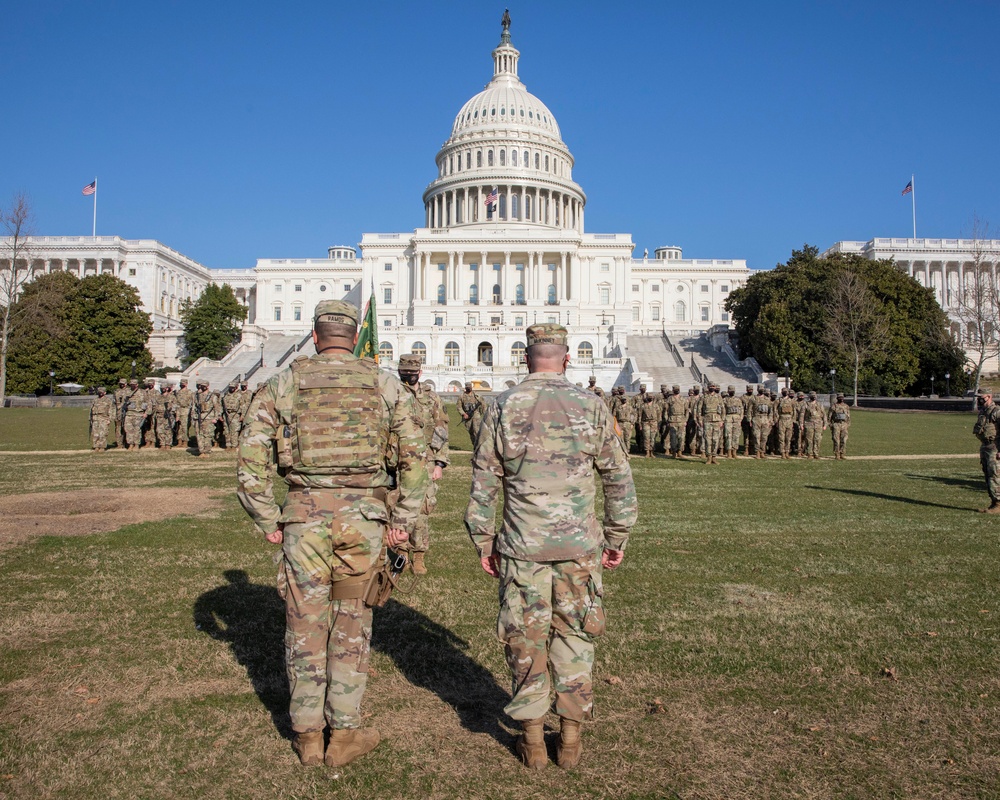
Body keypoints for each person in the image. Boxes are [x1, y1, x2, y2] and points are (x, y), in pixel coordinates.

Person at [237, 300, 428, 768]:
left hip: (305, 518)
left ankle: (307, 736)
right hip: (364, 520)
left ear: (317, 336)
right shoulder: (383, 383)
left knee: (304, 622)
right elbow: (415, 459)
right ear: (353, 335)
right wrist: (402, 520)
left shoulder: (284, 382)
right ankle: (343, 735)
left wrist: (267, 518)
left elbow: (250, 459)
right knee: (351, 623)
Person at [465, 323, 637, 770]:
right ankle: (571, 740)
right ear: (566, 358)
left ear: (527, 358)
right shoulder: (591, 404)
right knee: (576, 635)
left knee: (526, 640)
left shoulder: (503, 405)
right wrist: (616, 536)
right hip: (579, 545)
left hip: (523, 547)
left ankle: (533, 740)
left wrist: (484, 539)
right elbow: (618, 476)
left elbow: (485, 478)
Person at [395, 354, 449, 575]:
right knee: (396, 505)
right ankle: (401, 552)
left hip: (425, 460)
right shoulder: (392, 395)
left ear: (420, 373)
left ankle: (419, 555)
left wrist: (439, 463)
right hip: (397, 460)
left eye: (412, 374)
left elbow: (441, 430)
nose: (408, 378)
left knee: (422, 508)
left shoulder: (432, 398)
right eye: (404, 374)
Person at [973, 391, 1000, 513]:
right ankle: (994, 503)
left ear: (989, 397)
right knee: (988, 475)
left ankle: (999, 504)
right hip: (985, 446)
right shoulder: (984, 412)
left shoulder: (996, 411)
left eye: (981, 398)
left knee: (995, 475)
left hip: (994, 447)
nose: (979, 400)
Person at [697, 383, 724, 464]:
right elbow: (699, 409)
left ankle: (714, 457)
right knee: (708, 440)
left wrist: (722, 420)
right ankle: (708, 457)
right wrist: (700, 420)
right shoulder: (703, 397)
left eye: (713, 386)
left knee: (716, 440)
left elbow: (723, 409)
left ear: (715, 387)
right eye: (710, 386)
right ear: (708, 387)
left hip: (716, 420)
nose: (712, 388)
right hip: (707, 420)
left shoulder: (718, 397)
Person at [194, 381, 222, 457]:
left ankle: (207, 451)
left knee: (207, 435)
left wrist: (215, 418)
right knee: (199, 435)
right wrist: (194, 417)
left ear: (208, 386)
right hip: (199, 417)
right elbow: (194, 407)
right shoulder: (198, 396)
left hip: (209, 417)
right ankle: (201, 451)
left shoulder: (212, 396)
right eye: (201, 385)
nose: (203, 387)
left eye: (204, 386)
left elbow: (217, 408)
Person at [121, 379, 148, 451]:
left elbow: (148, 403)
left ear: (137, 385)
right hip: (129, 413)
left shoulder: (143, 392)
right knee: (128, 430)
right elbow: (123, 403)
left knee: (137, 430)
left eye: (134, 384)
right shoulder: (127, 392)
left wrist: (146, 413)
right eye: (131, 384)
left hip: (138, 413)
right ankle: (130, 444)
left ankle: (136, 444)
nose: (132, 385)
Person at [458, 381, 486, 449]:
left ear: (471, 387)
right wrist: (463, 414)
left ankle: (480, 447)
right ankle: (475, 446)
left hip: (476, 415)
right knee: (471, 432)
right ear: (465, 388)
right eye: (467, 387)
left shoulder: (476, 395)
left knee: (477, 431)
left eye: (470, 387)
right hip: (467, 416)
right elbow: (459, 407)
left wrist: (484, 412)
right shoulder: (462, 396)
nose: (469, 388)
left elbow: (483, 404)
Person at [89, 387, 115, 452]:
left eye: (101, 392)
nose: (100, 393)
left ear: (104, 393)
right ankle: (96, 446)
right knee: (95, 434)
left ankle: (102, 447)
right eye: (99, 392)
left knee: (103, 433)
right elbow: (91, 410)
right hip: (95, 418)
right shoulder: (95, 400)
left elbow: (111, 410)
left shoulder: (108, 400)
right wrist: (90, 419)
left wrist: (110, 419)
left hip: (104, 418)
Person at [664, 385, 687, 458]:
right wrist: (667, 420)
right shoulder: (669, 399)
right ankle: (674, 452)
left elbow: (686, 410)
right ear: (673, 390)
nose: (677, 390)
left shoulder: (683, 399)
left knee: (681, 437)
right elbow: (666, 411)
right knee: (673, 437)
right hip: (672, 420)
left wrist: (685, 420)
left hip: (681, 420)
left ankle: (680, 452)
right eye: (676, 389)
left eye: (678, 389)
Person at [802, 391, 826, 459]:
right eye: (812, 396)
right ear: (809, 397)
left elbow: (824, 415)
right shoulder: (806, 404)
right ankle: (809, 453)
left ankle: (816, 453)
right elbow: (802, 415)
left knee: (817, 439)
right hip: (809, 424)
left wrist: (825, 424)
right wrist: (801, 424)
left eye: (814, 396)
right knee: (809, 439)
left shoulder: (819, 405)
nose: (813, 397)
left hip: (818, 424)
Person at [722, 385, 744, 459]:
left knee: (736, 435)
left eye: (733, 390)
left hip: (737, 418)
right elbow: (723, 410)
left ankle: (734, 452)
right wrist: (723, 419)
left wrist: (740, 418)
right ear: (728, 391)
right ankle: (729, 452)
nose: (732, 391)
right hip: (728, 418)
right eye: (730, 390)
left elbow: (741, 409)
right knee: (728, 436)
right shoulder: (725, 400)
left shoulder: (738, 400)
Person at [153, 384, 177, 450]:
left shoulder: (172, 397)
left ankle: (168, 444)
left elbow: (175, 406)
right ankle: (162, 444)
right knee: (160, 430)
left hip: (168, 416)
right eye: (161, 388)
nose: (162, 389)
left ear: (167, 388)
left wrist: (172, 412)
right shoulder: (158, 397)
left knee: (168, 430)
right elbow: (155, 406)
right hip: (160, 416)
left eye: (164, 388)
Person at [828, 393, 851, 459]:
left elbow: (848, 416)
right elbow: (829, 417)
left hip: (844, 424)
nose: (841, 399)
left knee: (844, 440)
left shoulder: (846, 406)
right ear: (837, 398)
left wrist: (848, 424)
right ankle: (837, 454)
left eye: (842, 397)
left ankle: (842, 453)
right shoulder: (834, 406)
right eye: (839, 397)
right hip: (836, 424)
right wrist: (831, 425)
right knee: (836, 440)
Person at [174, 378, 194, 448]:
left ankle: (185, 442)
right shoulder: (178, 392)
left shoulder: (190, 392)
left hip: (186, 410)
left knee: (185, 427)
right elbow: (176, 402)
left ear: (186, 384)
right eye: (181, 384)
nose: (182, 385)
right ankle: (179, 441)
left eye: (183, 383)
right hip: (179, 409)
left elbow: (192, 402)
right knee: (179, 427)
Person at [222, 381, 243, 449]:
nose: (231, 389)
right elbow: (222, 405)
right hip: (226, 414)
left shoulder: (239, 395)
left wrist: (242, 416)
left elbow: (243, 406)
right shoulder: (226, 395)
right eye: (230, 387)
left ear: (236, 387)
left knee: (234, 430)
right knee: (226, 430)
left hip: (235, 414)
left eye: (233, 387)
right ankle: (228, 445)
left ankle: (234, 445)